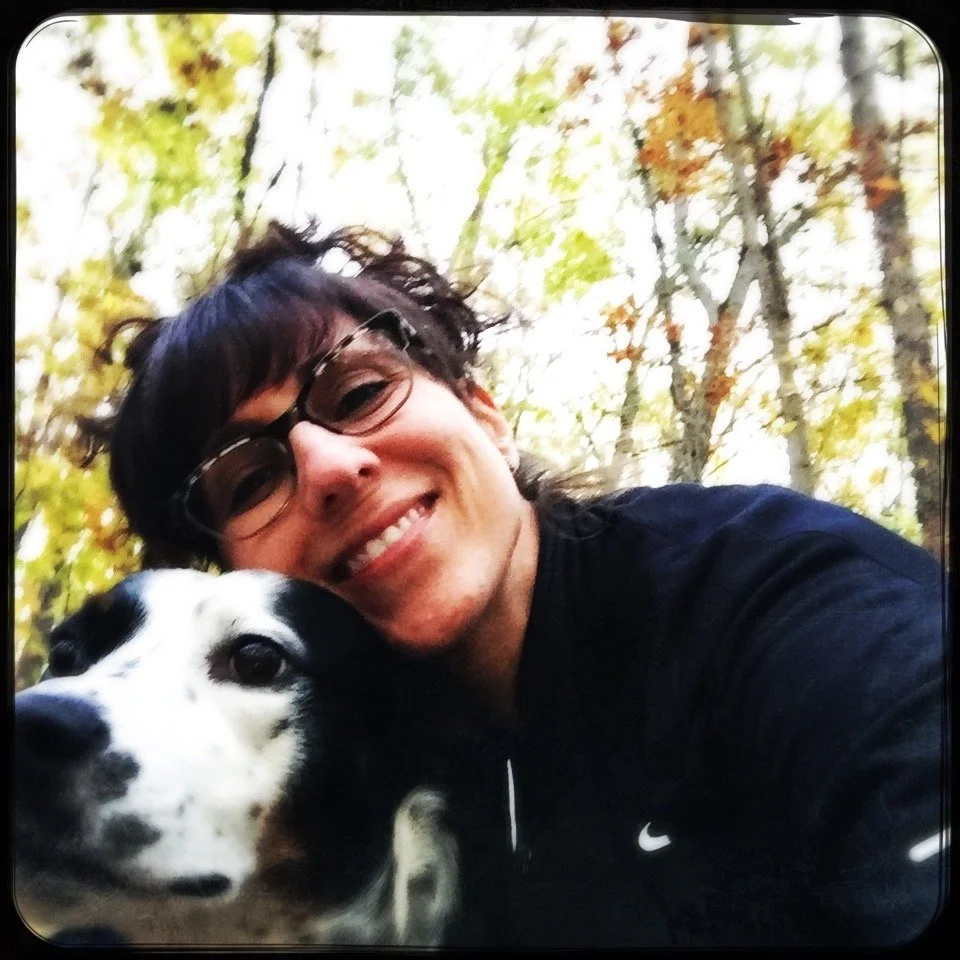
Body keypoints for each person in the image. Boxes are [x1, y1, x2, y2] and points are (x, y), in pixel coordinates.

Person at [79, 220, 947, 947]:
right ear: (237, 576)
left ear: (485, 417)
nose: (329, 466)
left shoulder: (760, 596)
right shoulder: (316, 807)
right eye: (251, 480)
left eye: (360, 392)